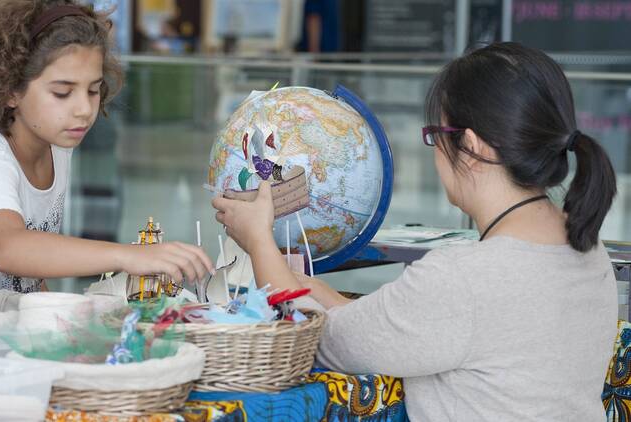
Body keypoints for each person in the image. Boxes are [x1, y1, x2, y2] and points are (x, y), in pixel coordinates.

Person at [213, 42, 618, 421]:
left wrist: (259, 239)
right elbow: (390, 327)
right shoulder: (587, 248)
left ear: (472, 148)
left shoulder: (461, 279)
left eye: (436, 136)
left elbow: (320, 342)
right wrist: (314, 288)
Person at [0, 0, 214, 297]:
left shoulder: (57, 148)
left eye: (93, 90)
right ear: (10, 91)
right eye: (62, 93)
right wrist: (129, 255)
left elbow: (28, 275)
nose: (84, 110)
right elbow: (10, 249)